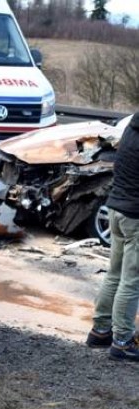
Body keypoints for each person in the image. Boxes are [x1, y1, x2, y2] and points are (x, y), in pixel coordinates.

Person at [87, 112, 139, 362]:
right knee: (132, 281)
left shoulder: (131, 127)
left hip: (116, 210)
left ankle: (100, 330)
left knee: (114, 274)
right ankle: (123, 341)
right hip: (135, 217)